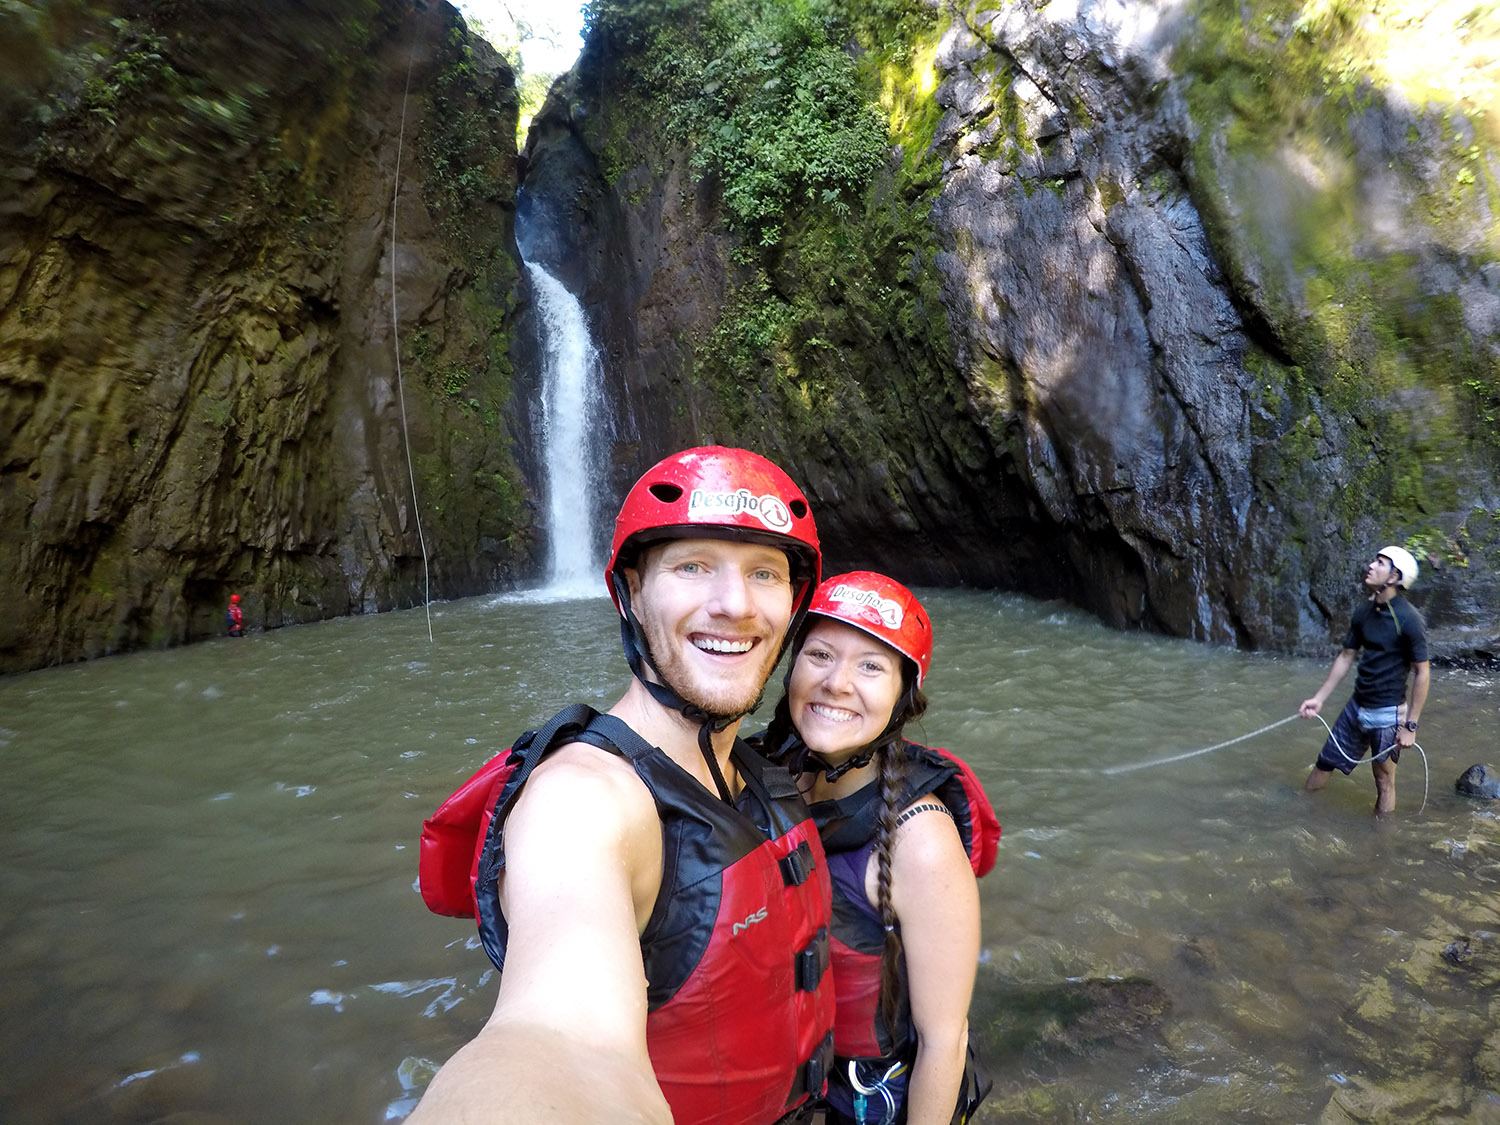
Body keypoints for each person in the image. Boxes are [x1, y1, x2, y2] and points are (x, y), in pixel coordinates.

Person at [413, 446, 836, 1124]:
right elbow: (556, 1039)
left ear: (793, 603)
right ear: (632, 591)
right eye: (694, 566)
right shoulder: (583, 801)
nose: (735, 605)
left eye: (765, 572)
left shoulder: (758, 772)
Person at [757, 572, 998, 1125]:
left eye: (870, 666)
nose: (836, 683)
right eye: (819, 654)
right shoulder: (762, 776)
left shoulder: (922, 845)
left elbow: (944, 1039)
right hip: (782, 1081)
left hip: (870, 1097)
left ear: (902, 698)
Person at [1299, 545, 1430, 815]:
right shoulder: (1364, 612)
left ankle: (1381, 844)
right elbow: (1346, 656)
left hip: (1388, 714)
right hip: (1356, 707)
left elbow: (1422, 672)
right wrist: (1319, 699)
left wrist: (1411, 725)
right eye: (1375, 561)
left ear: (1394, 577)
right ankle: (1298, 814)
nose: (1371, 566)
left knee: (1384, 780)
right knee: (1324, 762)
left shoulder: (1409, 620)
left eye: (1380, 563)